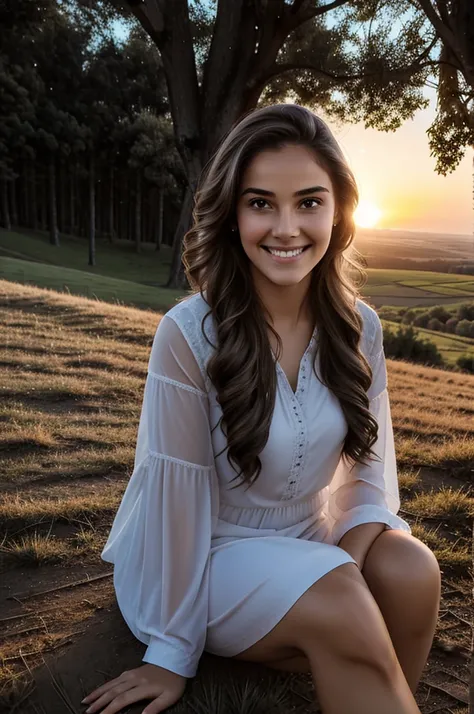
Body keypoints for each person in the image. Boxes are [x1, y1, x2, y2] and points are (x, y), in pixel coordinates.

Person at [82, 104, 441, 714]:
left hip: (312, 534)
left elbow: (369, 474)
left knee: (413, 572)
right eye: (260, 203)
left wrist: (342, 560)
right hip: (210, 556)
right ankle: (346, 649)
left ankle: (367, 680)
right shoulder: (188, 335)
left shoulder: (362, 329)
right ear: (231, 213)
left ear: (338, 212)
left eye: (308, 202)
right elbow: (178, 499)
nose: (286, 227)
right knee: (340, 600)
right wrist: (170, 652)